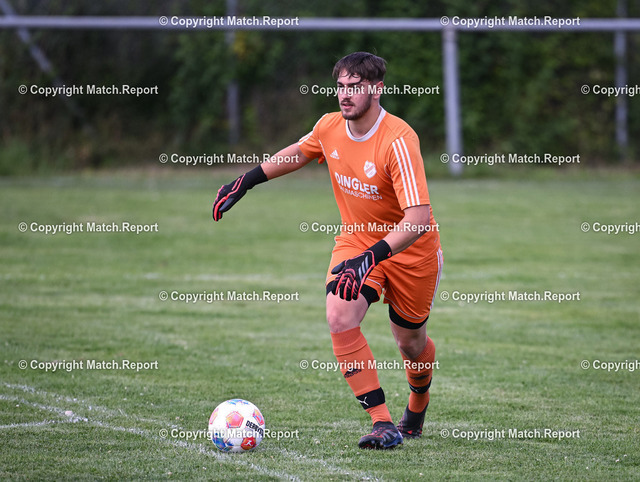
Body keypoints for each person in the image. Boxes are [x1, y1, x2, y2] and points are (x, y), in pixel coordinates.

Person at [212, 51, 443, 450]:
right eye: (340, 86)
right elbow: (300, 152)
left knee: (410, 343)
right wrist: (246, 180)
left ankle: (417, 405)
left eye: (355, 87)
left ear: (377, 89)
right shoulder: (329, 127)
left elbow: (418, 218)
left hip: (411, 250)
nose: (345, 94)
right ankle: (382, 423)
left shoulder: (399, 139)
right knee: (339, 315)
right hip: (356, 240)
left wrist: (373, 257)